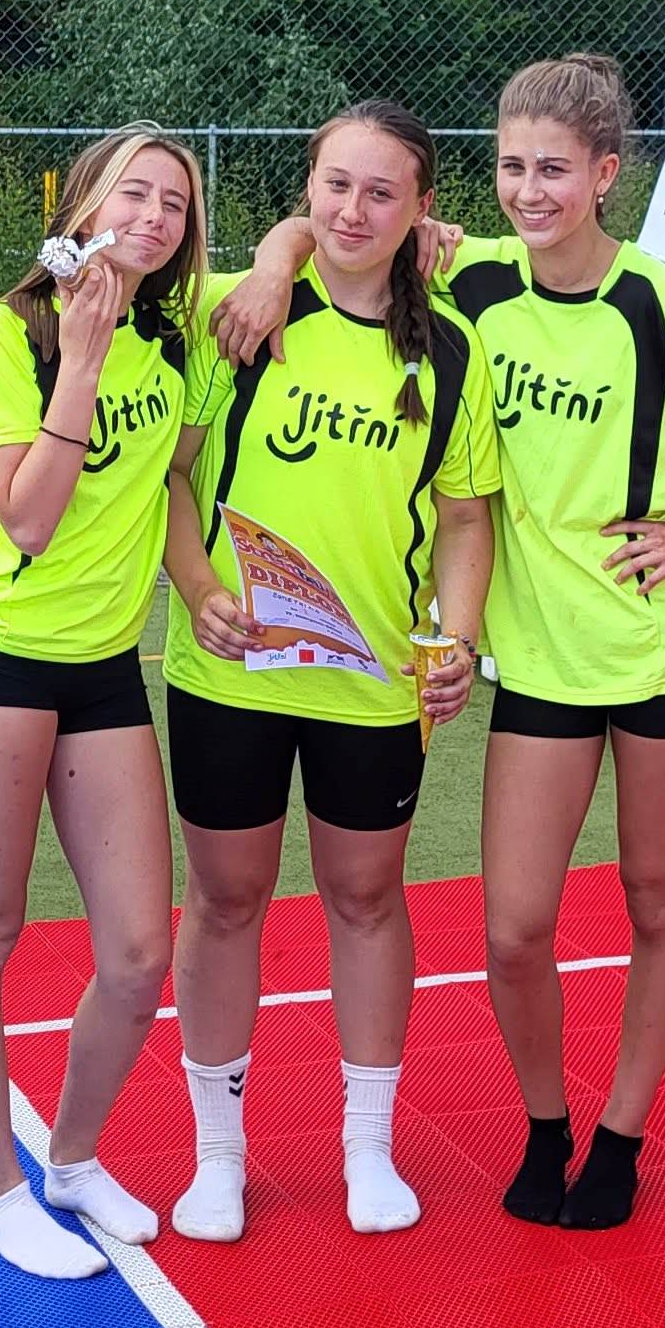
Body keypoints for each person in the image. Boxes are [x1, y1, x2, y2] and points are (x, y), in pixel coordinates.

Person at [223, 52, 665, 1230]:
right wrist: (266, 262)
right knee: (512, 929)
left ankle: (621, 1136)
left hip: (663, 660)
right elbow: (329, 228)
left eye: (553, 169)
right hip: (540, 668)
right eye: (510, 166)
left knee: (656, 899)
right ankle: (546, 1121)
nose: (527, 190)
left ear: (604, 175)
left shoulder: (664, 304)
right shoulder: (473, 277)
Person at [158, 101, 499, 1244]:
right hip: (231, 674)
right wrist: (198, 590)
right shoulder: (243, 312)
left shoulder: (451, 349)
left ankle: (367, 1145)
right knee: (225, 900)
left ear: (422, 210)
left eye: (381, 192)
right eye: (334, 186)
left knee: (365, 899)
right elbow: (174, 476)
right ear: (305, 189)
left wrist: (457, 637)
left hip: (370, 683)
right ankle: (218, 1156)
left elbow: (464, 516)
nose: (353, 211)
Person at [0, 124, 205, 1279]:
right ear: (82, 204)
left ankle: (74, 1160)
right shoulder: (0, 334)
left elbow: (307, 247)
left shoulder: (174, 339)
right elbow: (28, 521)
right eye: (133, 193)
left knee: (138, 952)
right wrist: (79, 360)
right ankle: (0, 1192)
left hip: (103, 670)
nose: (152, 216)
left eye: (175, 204)